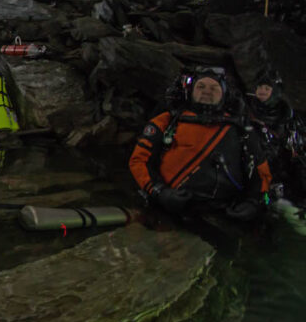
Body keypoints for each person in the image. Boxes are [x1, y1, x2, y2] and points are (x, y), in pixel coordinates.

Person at [129, 67, 273, 222]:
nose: (207, 91)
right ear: (190, 92)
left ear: (224, 94)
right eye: (201, 86)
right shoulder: (166, 122)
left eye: (214, 88)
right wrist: (159, 191)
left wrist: (254, 203)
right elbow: (138, 161)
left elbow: (262, 173)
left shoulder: (242, 130)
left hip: (223, 214)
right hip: (170, 207)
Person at [245, 70, 305, 200]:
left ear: (276, 91)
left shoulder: (287, 118)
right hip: (252, 165)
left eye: (267, 88)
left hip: (278, 171)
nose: (262, 91)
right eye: (259, 87)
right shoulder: (246, 109)